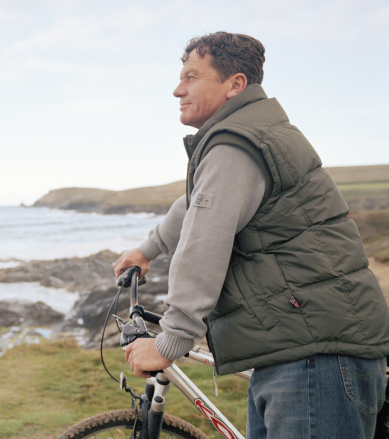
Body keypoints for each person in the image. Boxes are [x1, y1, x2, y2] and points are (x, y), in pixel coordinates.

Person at [113, 31, 389, 439]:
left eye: (192, 77)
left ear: (235, 84)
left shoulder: (235, 144)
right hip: (300, 347)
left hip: (314, 354)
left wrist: (170, 341)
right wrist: (149, 248)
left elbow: (204, 243)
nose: (177, 89)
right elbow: (198, 202)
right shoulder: (245, 135)